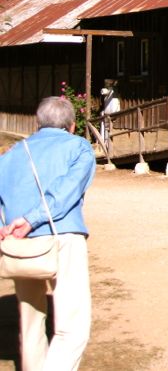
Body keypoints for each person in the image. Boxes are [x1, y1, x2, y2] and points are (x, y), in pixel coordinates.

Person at [0, 96, 96, 371]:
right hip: (62, 236)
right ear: (72, 124)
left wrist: (5, 227)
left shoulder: (12, 153)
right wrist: (32, 220)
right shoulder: (79, 147)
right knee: (72, 324)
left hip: (19, 243)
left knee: (29, 322)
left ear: (37, 122)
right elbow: (68, 191)